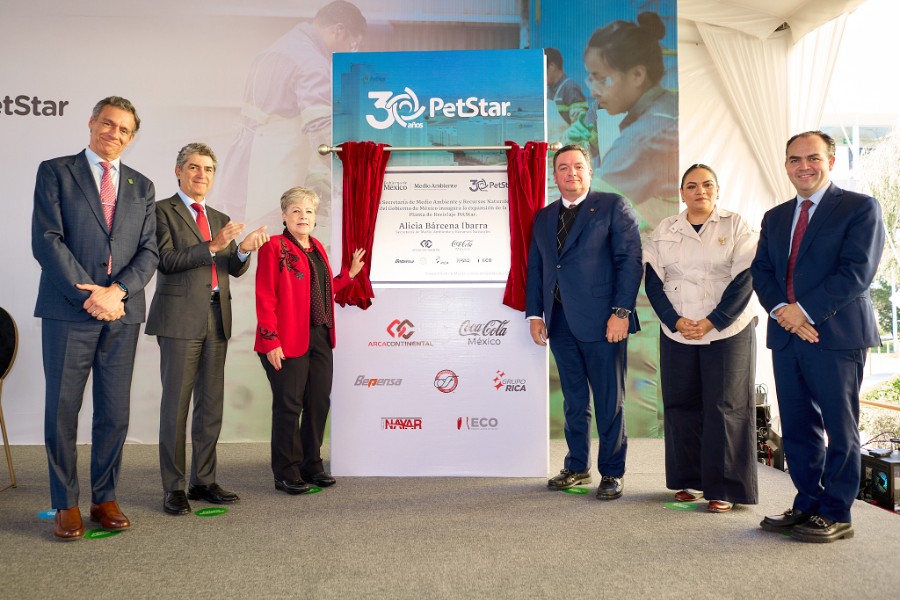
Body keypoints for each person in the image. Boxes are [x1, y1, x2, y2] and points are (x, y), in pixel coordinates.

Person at [31, 96, 159, 540]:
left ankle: (104, 497)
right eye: (108, 123)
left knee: (114, 411)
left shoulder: (143, 186)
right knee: (62, 410)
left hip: (122, 312)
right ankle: (65, 502)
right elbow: (46, 240)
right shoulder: (56, 171)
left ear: (132, 137)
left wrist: (117, 292)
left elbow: (149, 251)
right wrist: (90, 296)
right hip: (69, 309)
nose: (114, 134)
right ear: (91, 123)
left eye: (124, 129)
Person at [752, 131, 885, 543]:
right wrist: (783, 312)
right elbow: (762, 271)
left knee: (840, 429)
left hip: (837, 335)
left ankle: (837, 512)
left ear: (831, 161)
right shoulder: (775, 217)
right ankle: (807, 502)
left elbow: (857, 272)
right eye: (794, 159)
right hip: (787, 335)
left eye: (812, 158)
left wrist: (803, 311)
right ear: (786, 165)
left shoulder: (860, 208)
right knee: (797, 426)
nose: (803, 166)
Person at [566, 11, 680, 438]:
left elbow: (589, 204)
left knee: (635, 386)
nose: (593, 88)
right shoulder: (660, 113)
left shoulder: (647, 133)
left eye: (601, 78)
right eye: (589, 77)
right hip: (659, 281)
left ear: (637, 75)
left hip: (643, 287)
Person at [146, 143, 269, 516]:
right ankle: (173, 487)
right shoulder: (160, 211)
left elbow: (230, 266)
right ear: (179, 171)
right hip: (179, 319)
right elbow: (165, 261)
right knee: (176, 407)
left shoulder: (219, 216)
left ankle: (203, 480)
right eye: (194, 167)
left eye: (209, 169)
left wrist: (243, 250)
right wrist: (212, 245)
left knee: (210, 405)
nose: (202, 175)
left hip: (217, 316)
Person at [526, 144, 642, 499]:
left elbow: (630, 261)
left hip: (605, 322)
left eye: (578, 166)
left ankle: (612, 472)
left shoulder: (613, 206)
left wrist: (621, 313)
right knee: (574, 401)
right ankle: (577, 466)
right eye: (563, 167)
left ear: (589, 171)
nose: (571, 172)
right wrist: (535, 314)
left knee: (609, 401)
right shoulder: (544, 217)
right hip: (560, 322)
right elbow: (538, 269)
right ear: (554, 175)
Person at [644, 164, 759, 513]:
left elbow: (746, 278)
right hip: (677, 328)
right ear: (682, 193)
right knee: (681, 405)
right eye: (692, 186)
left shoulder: (736, 225)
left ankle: (724, 487)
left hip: (727, 329)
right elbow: (653, 280)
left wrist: (713, 321)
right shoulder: (665, 229)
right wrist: (674, 320)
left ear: (717, 190)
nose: (700, 191)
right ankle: (689, 480)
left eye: (707, 184)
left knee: (726, 407)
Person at [216, 1, 366, 234]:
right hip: (273, 172)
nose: (349, 53)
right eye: (352, 45)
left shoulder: (279, 47)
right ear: (339, 30)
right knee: (269, 244)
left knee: (244, 239)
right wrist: (352, 175)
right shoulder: (312, 63)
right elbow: (322, 131)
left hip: (244, 166)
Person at [255, 187, 364, 495]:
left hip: (320, 335)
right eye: (296, 211)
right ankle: (285, 472)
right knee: (289, 406)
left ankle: (311, 464)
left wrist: (348, 276)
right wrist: (270, 340)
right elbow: (265, 295)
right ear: (284, 216)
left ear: (315, 218)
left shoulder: (317, 247)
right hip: (285, 339)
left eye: (309, 211)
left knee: (318, 402)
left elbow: (320, 291)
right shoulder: (273, 247)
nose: (303, 216)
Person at [545, 47, 588, 127]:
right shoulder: (547, 90)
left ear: (552, 66)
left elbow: (580, 125)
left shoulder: (571, 88)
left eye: (542, 70)